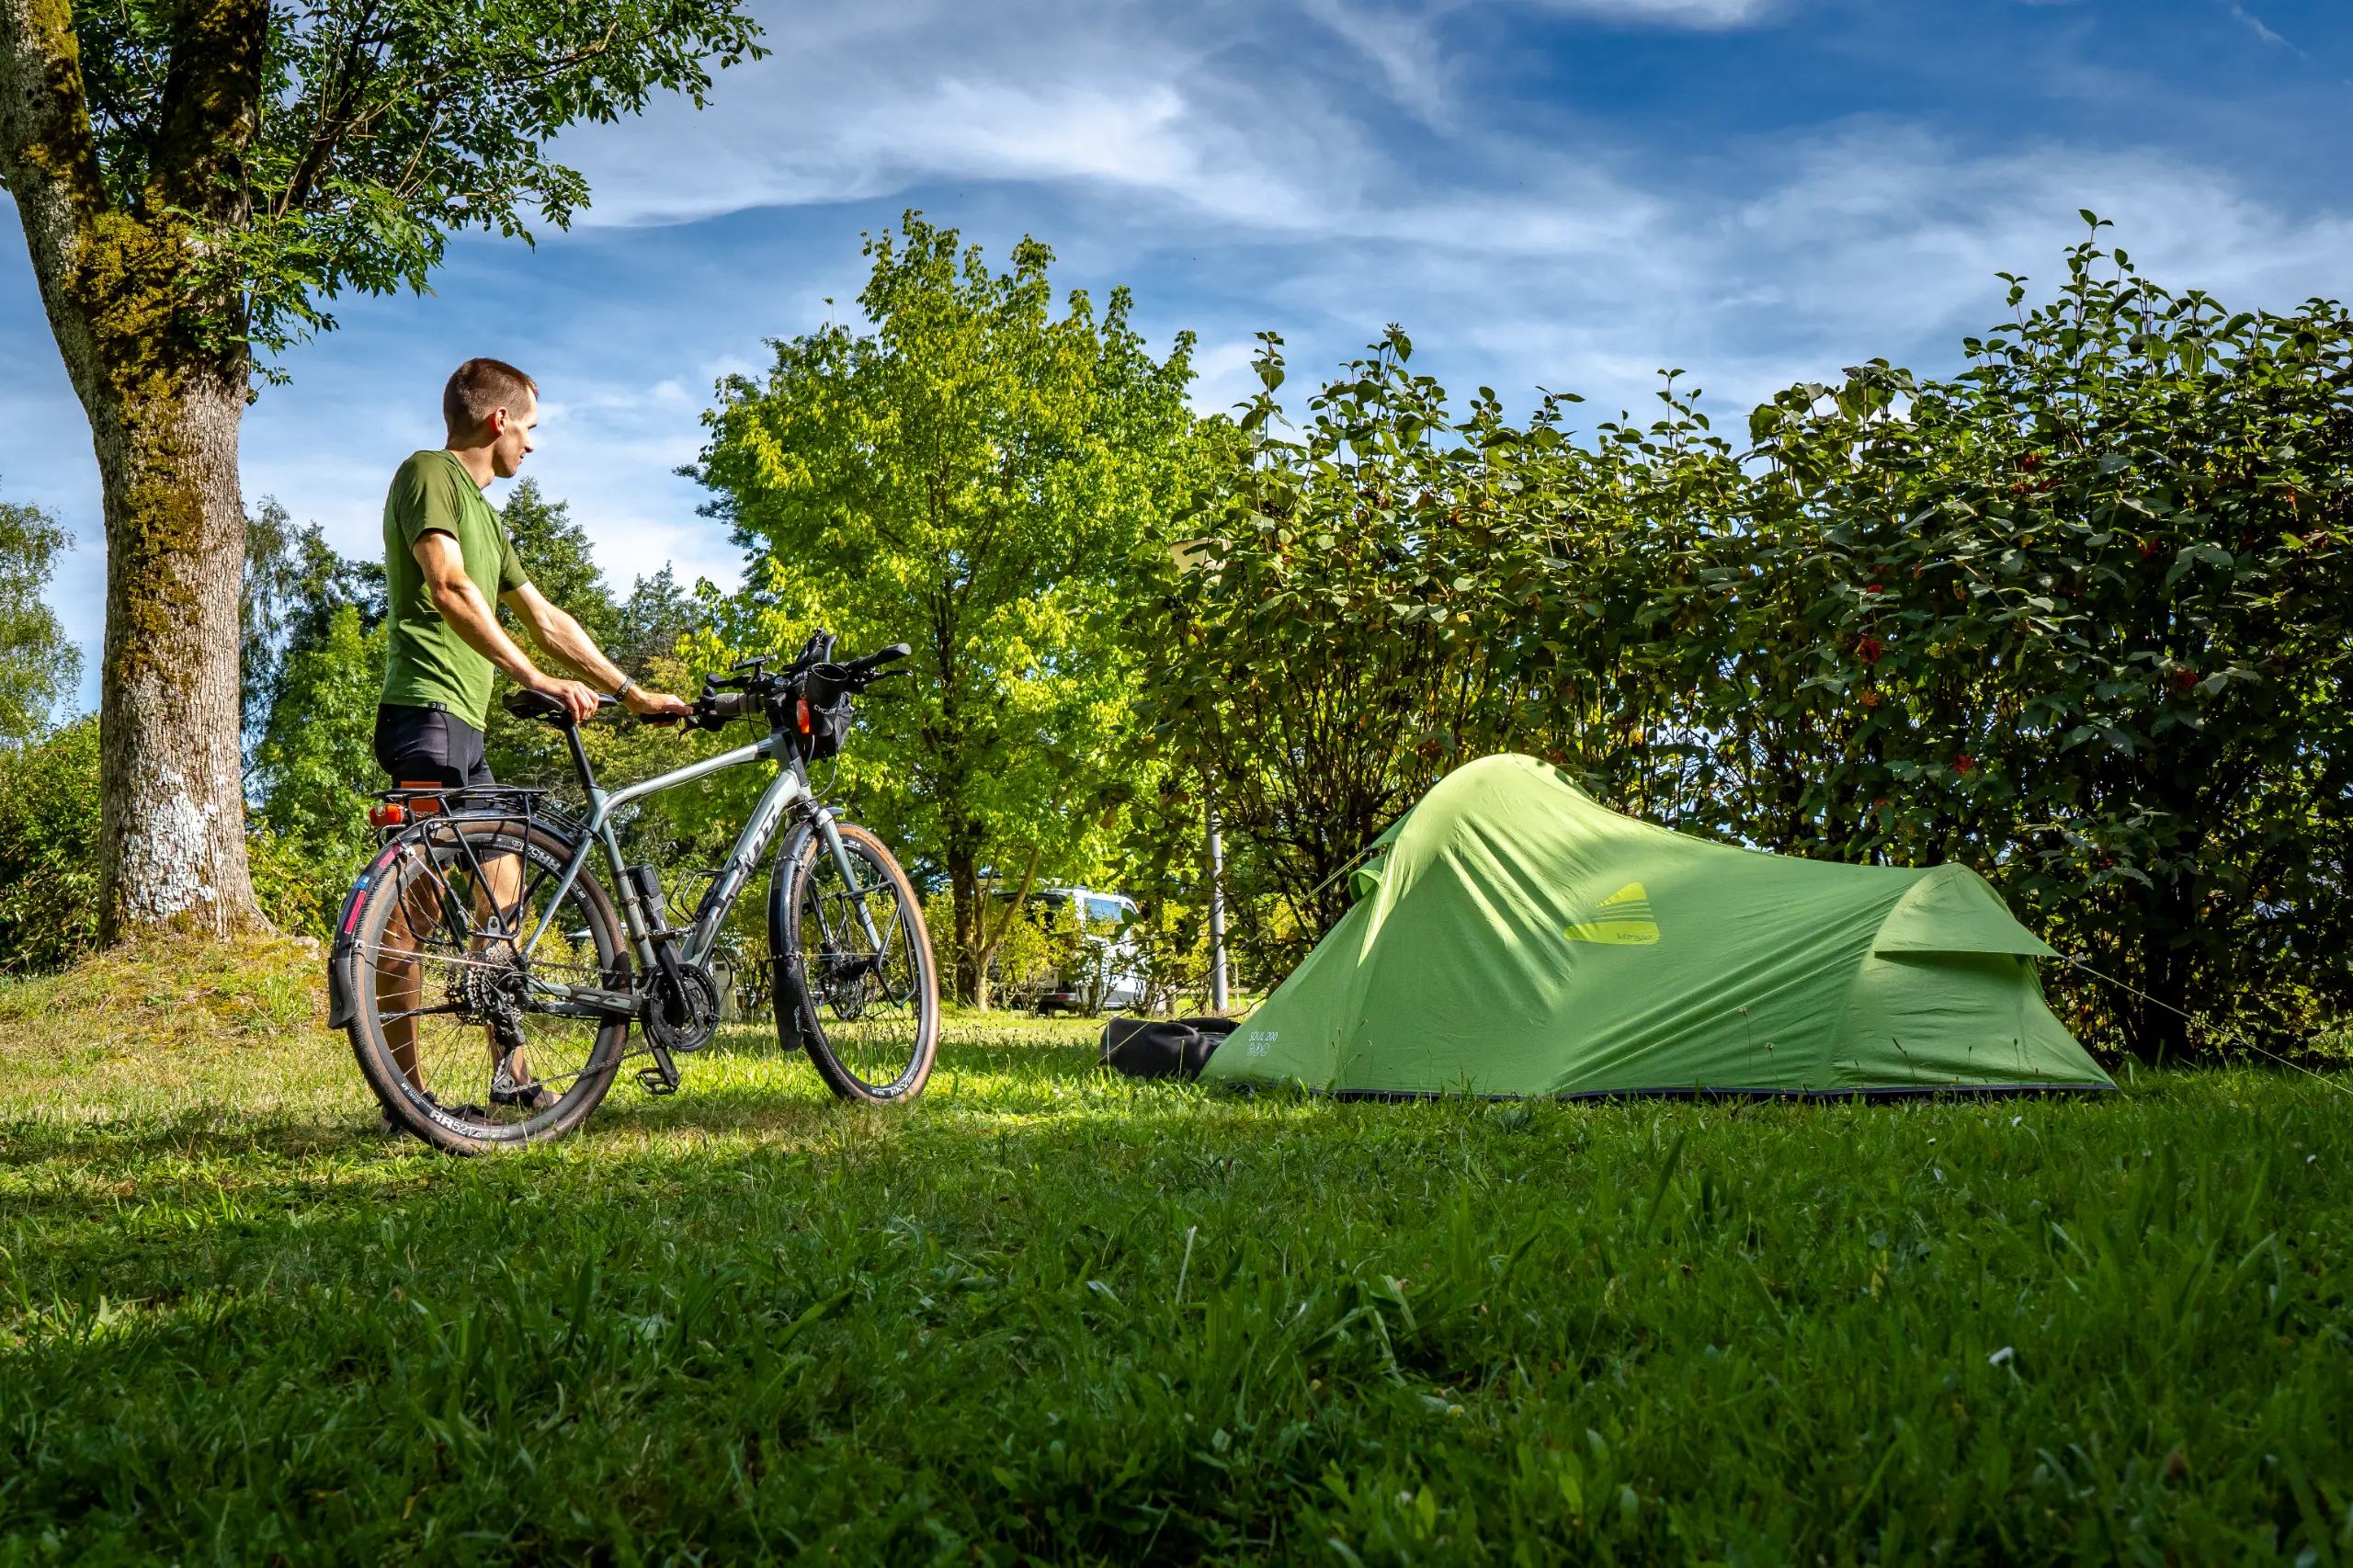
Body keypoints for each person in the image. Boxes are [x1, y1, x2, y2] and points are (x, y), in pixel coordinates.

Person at [374, 357, 690, 1118]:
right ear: (498, 420)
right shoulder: (429, 474)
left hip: (466, 730)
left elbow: (548, 619)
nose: (534, 446)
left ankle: (510, 1071)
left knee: (507, 875)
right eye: (532, 429)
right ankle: (404, 1095)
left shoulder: (488, 516)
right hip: (425, 717)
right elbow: (447, 587)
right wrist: (533, 680)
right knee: (413, 908)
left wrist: (630, 690)